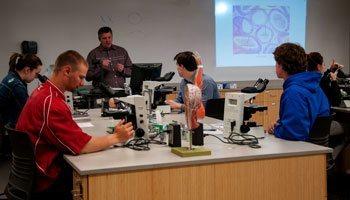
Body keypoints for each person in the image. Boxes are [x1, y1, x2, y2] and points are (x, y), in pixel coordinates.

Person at [16, 50, 134, 199]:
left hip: (32, 173)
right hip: (46, 180)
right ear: (67, 71)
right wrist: (117, 137)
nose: (82, 83)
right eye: (81, 77)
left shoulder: (43, 91)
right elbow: (83, 146)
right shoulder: (52, 103)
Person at [267, 43, 330, 141]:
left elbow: (294, 133)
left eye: (276, 63)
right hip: (316, 149)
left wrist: (276, 129)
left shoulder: (293, 92)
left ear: (282, 66)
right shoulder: (314, 85)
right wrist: (281, 124)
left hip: (303, 149)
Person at [0, 53, 42, 127]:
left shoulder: (11, 77)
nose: (36, 77)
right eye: (36, 73)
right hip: (5, 129)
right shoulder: (17, 86)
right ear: (27, 70)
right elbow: (29, 111)